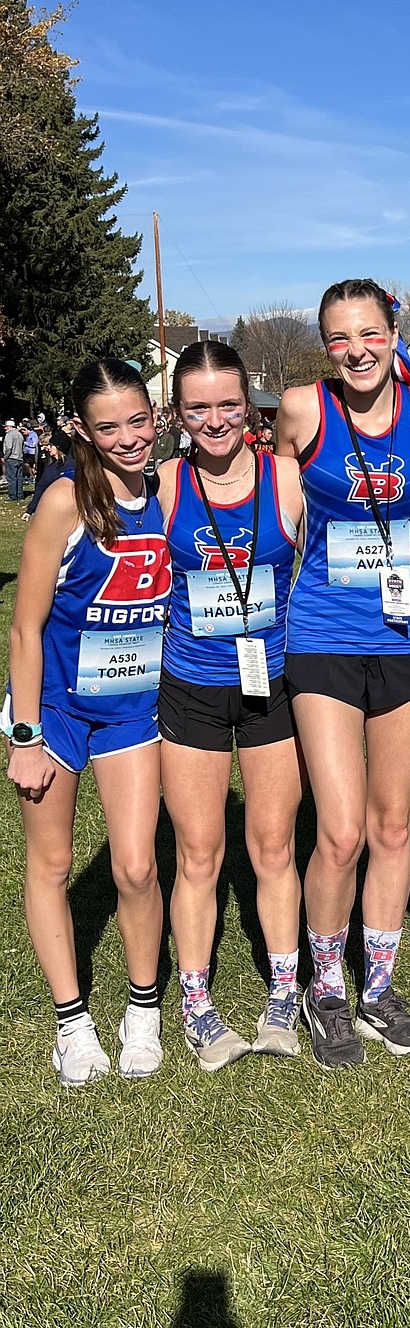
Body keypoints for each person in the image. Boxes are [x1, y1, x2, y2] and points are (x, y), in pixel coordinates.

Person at [277, 279, 410, 1070]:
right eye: (341, 337)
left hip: (408, 634)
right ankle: (326, 988)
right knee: (341, 832)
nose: (358, 349)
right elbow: (282, 516)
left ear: (394, 332)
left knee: (393, 826)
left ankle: (377, 984)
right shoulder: (304, 410)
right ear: (326, 345)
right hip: (322, 635)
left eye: (370, 333)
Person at [5, 359, 170, 1085]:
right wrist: (26, 736)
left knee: (136, 865)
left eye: (139, 420)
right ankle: (72, 1022)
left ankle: (143, 1008)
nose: (130, 438)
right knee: (52, 864)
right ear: (81, 430)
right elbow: (26, 629)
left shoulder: (169, 492)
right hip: (58, 712)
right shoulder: (65, 501)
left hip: (133, 708)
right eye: (109, 427)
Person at [156, 340, 304, 1070]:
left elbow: (339, 561)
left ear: (248, 403)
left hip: (271, 684)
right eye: (198, 408)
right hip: (191, 687)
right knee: (200, 852)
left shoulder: (286, 478)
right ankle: (197, 1004)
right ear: (179, 414)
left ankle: (283, 994)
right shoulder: (163, 484)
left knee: (274, 845)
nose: (214, 421)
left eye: (226, 404)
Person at [23, 429, 73, 518]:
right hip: (53, 511)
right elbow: (40, 488)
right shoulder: (50, 468)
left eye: (51, 446)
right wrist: (29, 510)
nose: (48, 448)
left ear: (58, 447)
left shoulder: (73, 466)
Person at [4, 417, 25, 503]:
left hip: (12, 458)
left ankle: (13, 496)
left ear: (9, 427)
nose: (5, 428)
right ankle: (20, 495)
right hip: (19, 458)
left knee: (11, 478)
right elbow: (23, 446)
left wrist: (5, 457)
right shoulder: (20, 434)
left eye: (6, 426)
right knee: (19, 478)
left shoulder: (9, 434)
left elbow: (9, 448)